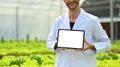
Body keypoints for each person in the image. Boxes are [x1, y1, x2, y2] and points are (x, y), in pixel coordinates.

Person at [46, 0, 111, 67]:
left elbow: (107, 44)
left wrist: (91, 46)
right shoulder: (58, 21)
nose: (71, 0)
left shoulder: (92, 20)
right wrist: (57, 44)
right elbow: (49, 42)